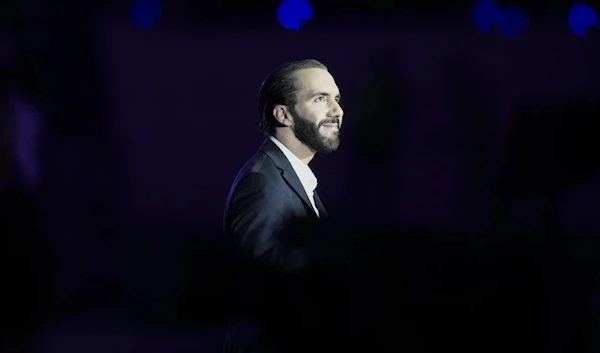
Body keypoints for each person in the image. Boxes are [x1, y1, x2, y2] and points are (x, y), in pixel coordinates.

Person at [223, 59, 344, 353]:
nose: (337, 111)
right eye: (320, 99)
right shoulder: (262, 185)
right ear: (283, 114)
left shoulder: (291, 179)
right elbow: (268, 296)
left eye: (337, 100)